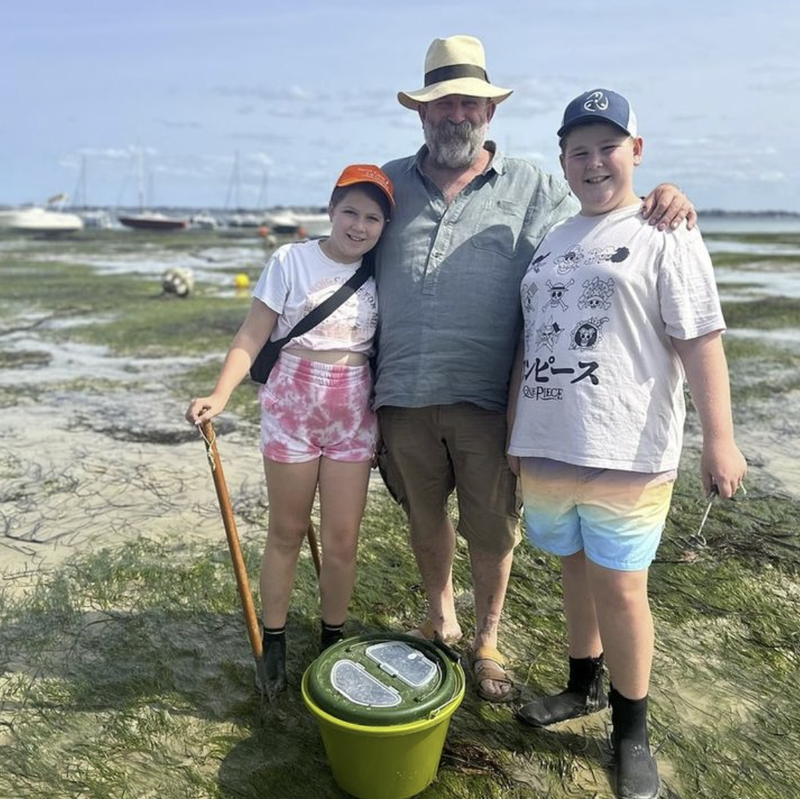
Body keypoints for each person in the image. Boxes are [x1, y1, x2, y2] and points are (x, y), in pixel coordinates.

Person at [372, 34, 697, 704]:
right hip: (400, 394)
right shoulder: (388, 183)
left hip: (494, 400)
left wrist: (663, 194)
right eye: (441, 103)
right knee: (424, 517)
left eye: (468, 102)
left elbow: (599, 216)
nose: (455, 114)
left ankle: (487, 638)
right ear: (421, 115)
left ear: (488, 113)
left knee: (492, 527)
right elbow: (345, 242)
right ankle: (440, 619)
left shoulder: (533, 187)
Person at [506, 88, 747, 799]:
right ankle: (581, 685)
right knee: (573, 567)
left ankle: (631, 730)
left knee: (621, 584)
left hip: (628, 446)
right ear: (562, 162)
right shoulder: (552, 240)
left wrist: (720, 440)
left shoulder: (664, 230)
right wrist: (519, 429)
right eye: (578, 151)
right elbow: (528, 343)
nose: (593, 163)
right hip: (550, 440)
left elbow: (701, 340)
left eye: (607, 147)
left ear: (635, 152)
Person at [185, 164, 394, 693]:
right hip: (291, 408)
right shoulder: (290, 260)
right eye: (350, 211)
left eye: (373, 217)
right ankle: (274, 640)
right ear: (330, 209)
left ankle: (332, 639)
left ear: (384, 226)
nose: (359, 225)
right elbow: (253, 333)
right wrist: (220, 393)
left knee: (343, 538)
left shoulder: (383, 270)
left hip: (353, 412)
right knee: (285, 531)